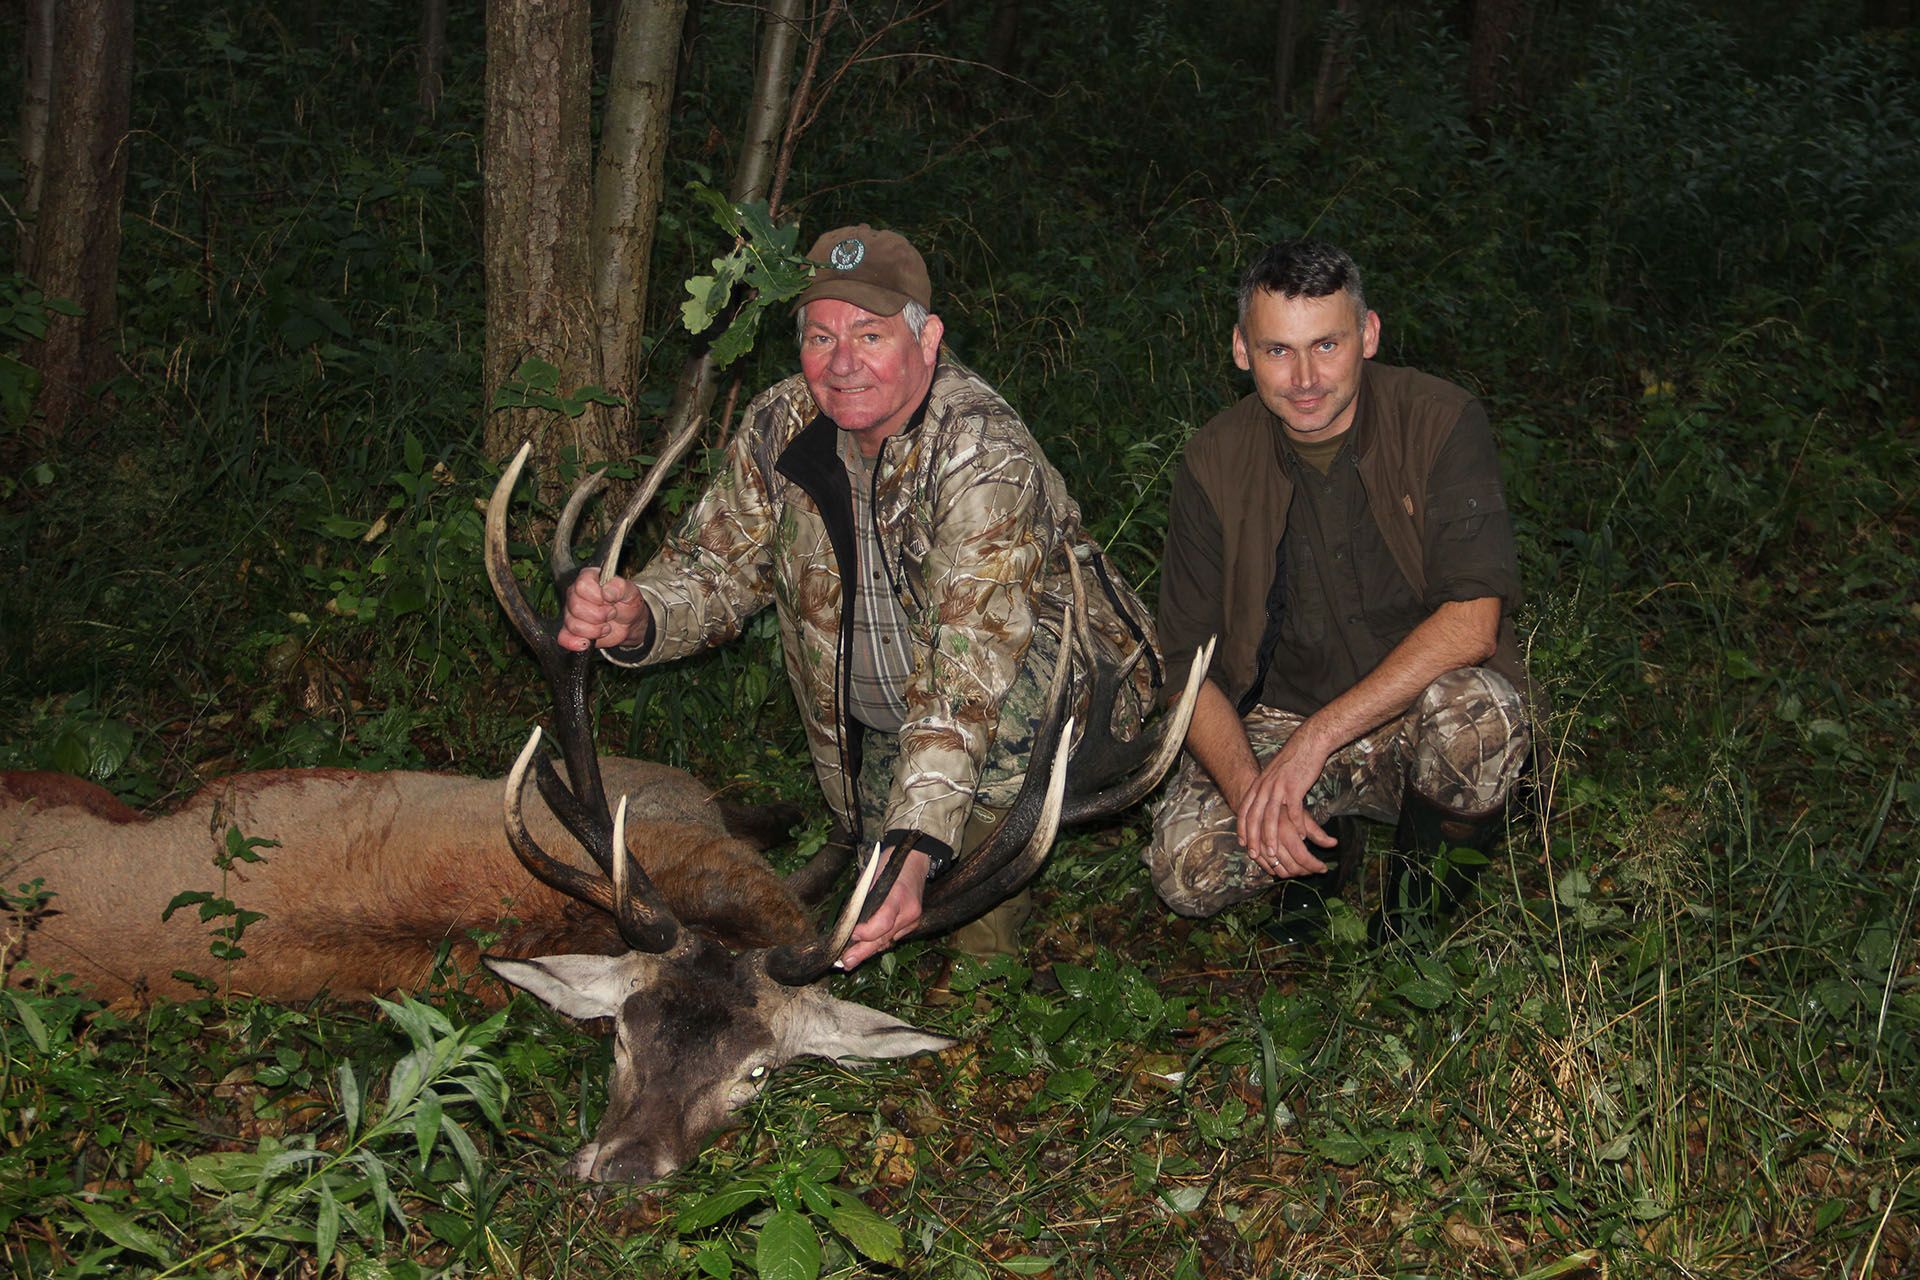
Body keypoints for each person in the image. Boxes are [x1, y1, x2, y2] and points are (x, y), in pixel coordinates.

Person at [561, 223, 1159, 969]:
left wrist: (913, 847)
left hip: (1064, 679)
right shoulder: (781, 425)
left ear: (927, 339)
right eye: (821, 337)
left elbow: (967, 678)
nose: (842, 364)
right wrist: (639, 613)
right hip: (906, 698)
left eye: (870, 336)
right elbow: (714, 569)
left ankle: (987, 944)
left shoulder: (981, 453)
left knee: (972, 771)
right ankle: (907, 829)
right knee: (899, 844)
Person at [1147, 238, 1532, 942]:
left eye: (1326, 345)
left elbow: (1473, 623)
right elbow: (1185, 667)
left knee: (1482, 716)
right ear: (1241, 351)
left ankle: (1413, 920)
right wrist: (1254, 794)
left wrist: (1315, 743)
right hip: (1279, 715)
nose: (1304, 379)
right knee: (1187, 868)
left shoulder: (1440, 420)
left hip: (1416, 709)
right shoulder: (1213, 460)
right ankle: (1326, 847)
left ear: (1368, 335)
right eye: (1278, 351)